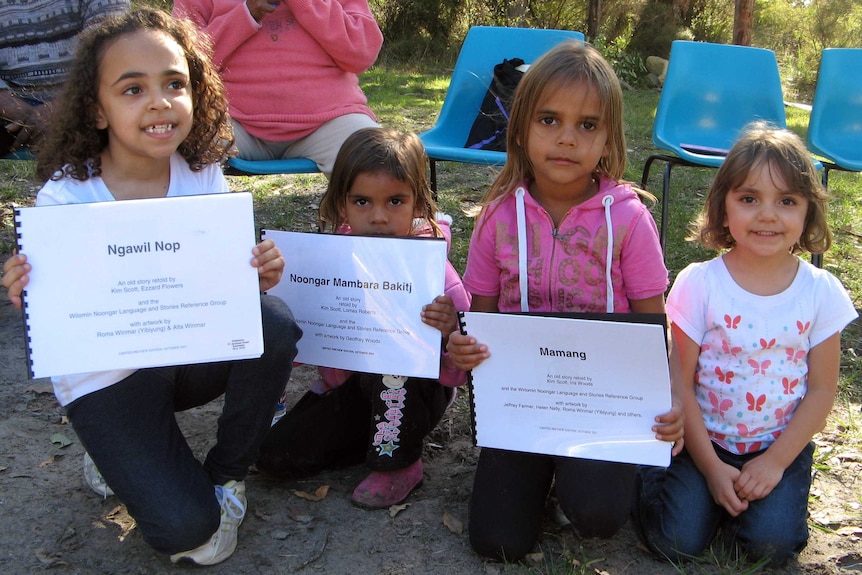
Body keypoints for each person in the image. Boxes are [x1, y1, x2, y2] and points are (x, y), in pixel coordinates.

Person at [1, 9, 302, 566]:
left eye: (174, 84)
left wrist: (255, 272)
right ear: (97, 109)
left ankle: (228, 475)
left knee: (273, 322)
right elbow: (53, 308)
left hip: (182, 347)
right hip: (107, 375)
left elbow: (224, 283)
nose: (159, 102)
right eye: (132, 88)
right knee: (191, 536)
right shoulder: (65, 199)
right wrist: (29, 293)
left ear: (196, 93)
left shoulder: (202, 173)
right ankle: (113, 449)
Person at [445, 41, 684, 562]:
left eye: (588, 125)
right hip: (522, 402)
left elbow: (651, 325)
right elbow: (479, 319)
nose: (567, 138)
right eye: (549, 119)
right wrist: (465, 345)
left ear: (608, 137)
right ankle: (537, 474)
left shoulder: (629, 221)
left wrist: (668, 400)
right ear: (522, 126)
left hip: (600, 406)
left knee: (598, 517)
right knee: (498, 542)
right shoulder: (496, 217)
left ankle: (604, 476)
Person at [633, 122, 857, 565]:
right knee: (675, 542)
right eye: (749, 199)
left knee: (772, 547)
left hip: (779, 445)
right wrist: (713, 469)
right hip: (703, 442)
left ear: (809, 212)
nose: (768, 215)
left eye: (787, 201)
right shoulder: (700, 283)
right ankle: (654, 475)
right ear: (723, 208)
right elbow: (682, 382)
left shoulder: (821, 292)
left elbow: (821, 391)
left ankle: (747, 503)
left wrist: (775, 462)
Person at [257, 127, 471, 508]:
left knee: (394, 367)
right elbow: (302, 343)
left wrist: (449, 331)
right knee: (275, 457)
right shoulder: (328, 259)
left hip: (412, 392)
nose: (377, 217)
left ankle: (399, 463)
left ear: (418, 203)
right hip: (349, 390)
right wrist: (281, 296)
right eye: (361, 202)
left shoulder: (435, 276)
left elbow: (466, 364)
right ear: (341, 204)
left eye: (394, 201)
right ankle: (372, 441)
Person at [171, 0, 382, 177]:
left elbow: (362, 53)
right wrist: (247, 12)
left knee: (380, 160)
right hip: (232, 121)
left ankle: (363, 225)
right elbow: (182, 67)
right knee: (174, 147)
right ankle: (200, 225)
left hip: (330, 121)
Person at [0, 0, 130, 156]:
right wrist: (14, 107)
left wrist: (58, 110)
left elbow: (108, 53)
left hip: (87, 98)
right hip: (11, 107)